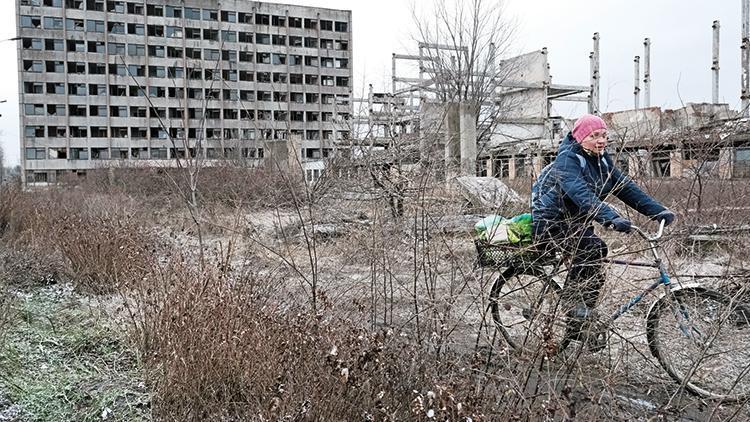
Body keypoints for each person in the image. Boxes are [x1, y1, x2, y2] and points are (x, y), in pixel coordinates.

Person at [531, 114, 675, 339]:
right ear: (580, 138)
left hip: (577, 222)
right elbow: (581, 194)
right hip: (551, 221)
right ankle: (572, 305)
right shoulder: (567, 160)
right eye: (594, 136)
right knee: (591, 248)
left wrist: (657, 211)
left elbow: (625, 187)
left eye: (604, 136)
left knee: (596, 264)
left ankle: (582, 320)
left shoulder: (601, 160)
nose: (601, 141)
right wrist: (610, 218)